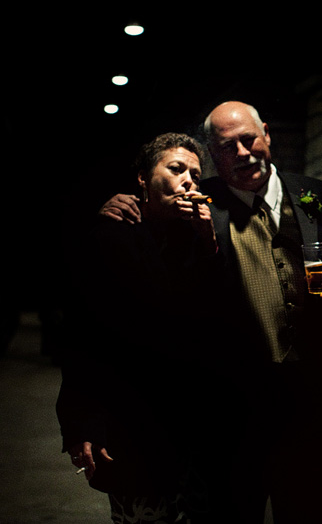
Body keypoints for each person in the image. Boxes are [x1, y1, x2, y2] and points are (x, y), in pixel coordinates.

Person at [101, 101, 322, 523]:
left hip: (309, 399)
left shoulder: (321, 196)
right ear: (213, 153)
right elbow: (159, 233)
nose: (243, 152)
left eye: (249, 139)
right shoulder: (198, 201)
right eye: (228, 147)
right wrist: (123, 204)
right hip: (231, 406)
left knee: (311, 512)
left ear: (266, 134)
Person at [57, 133, 222, 523]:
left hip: (197, 422)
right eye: (176, 169)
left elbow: (216, 322)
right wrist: (81, 423)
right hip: (132, 419)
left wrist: (209, 242)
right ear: (143, 178)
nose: (188, 181)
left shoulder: (199, 240)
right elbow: (83, 337)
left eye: (196, 176)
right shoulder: (111, 234)